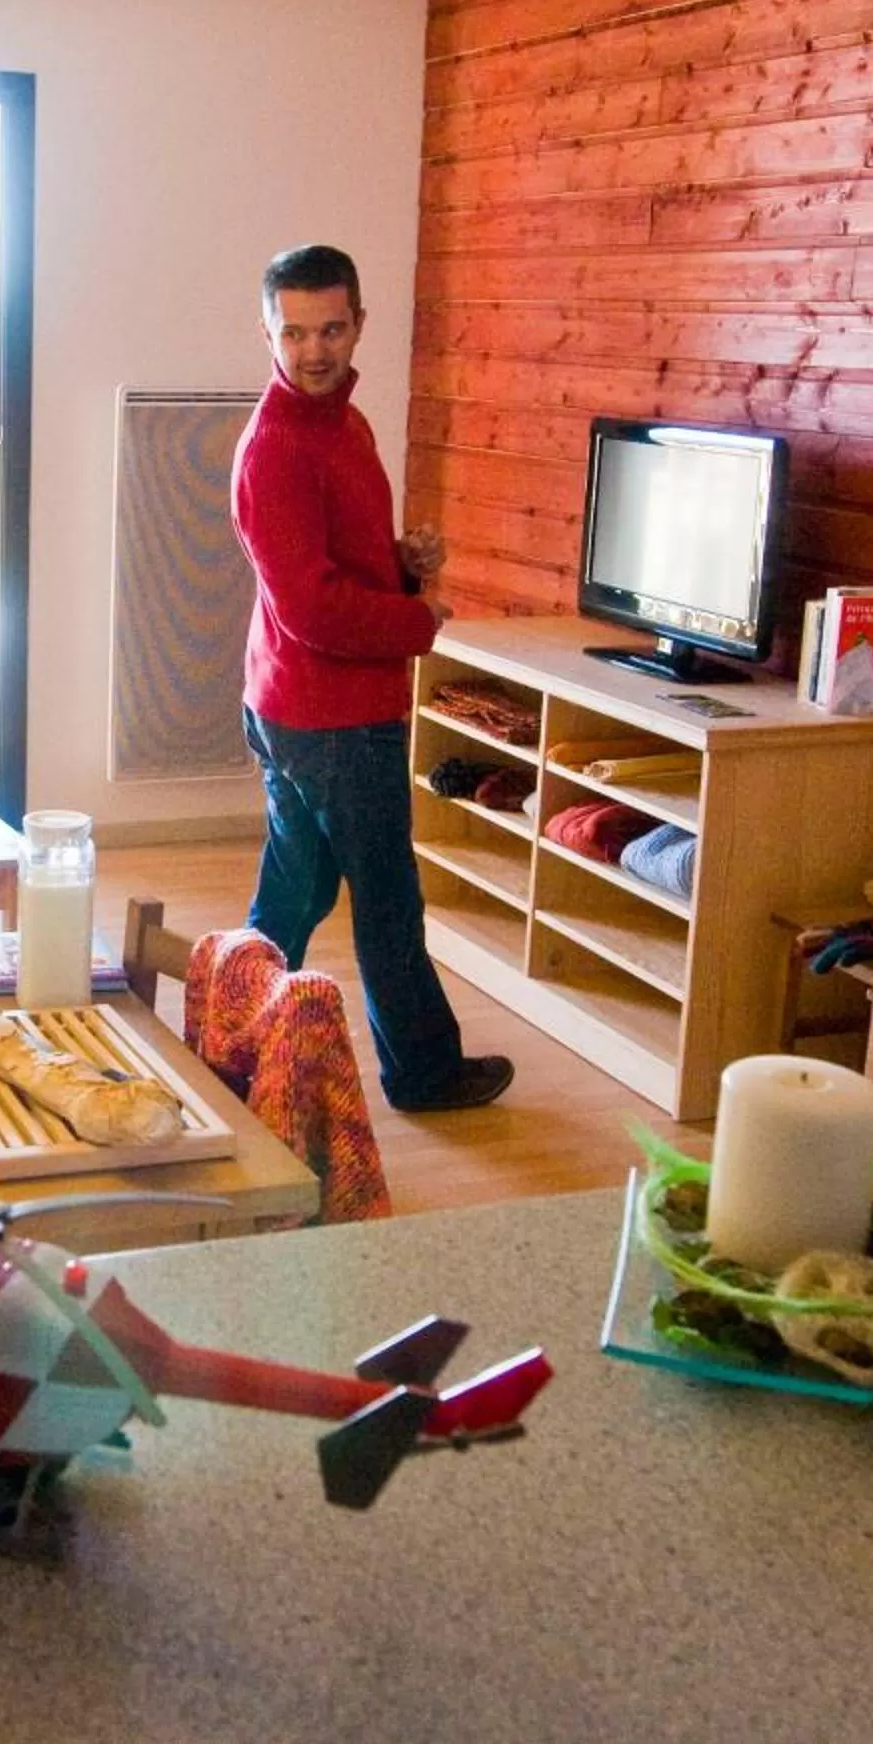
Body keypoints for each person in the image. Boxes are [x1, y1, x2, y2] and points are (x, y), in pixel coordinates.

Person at [231, 244, 512, 1113]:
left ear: (358, 324)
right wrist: (416, 621)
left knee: (299, 888)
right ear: (268, 334)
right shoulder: (276, 449)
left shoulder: (344, 425)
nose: (313, 350)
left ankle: (229, 1041)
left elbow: (334, 566)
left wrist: (399, 565)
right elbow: (314, 609)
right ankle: (425, 1074)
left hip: (299, 703)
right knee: (387, 900)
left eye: (330, 329)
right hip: (330, 717)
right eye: (294, 333)